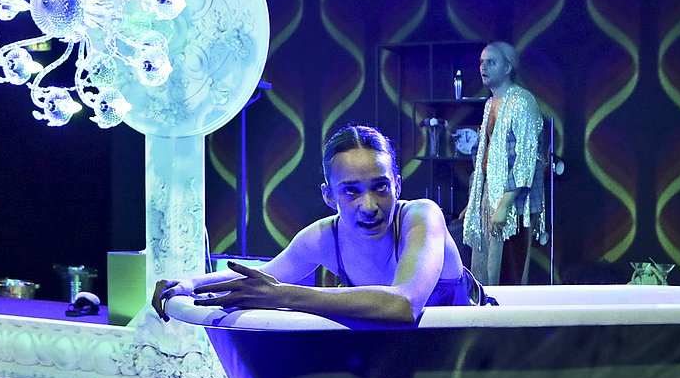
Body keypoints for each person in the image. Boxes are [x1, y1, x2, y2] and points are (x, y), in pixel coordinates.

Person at [151, 124, 484, 326]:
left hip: (476, 350)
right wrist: (187, 284)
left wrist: (283, 295)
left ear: (397, 184)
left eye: (380, 187)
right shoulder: (325, 237)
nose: (369, 206)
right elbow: (267, 274)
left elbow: (404, 305)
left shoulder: (421, 216)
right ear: (329, 196)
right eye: (351, 191)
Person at [462, 41, 546, 286]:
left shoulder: (521, 101)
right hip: (490, 193)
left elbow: (526, 157)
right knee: (484, 268)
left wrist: (504, 204)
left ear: (508, 67)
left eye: (491, 62)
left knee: (508, 271)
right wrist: (475, 201)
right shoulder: (491, 104)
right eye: (481, 62)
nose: (483, 67)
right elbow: (484, 156)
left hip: (515, 201)